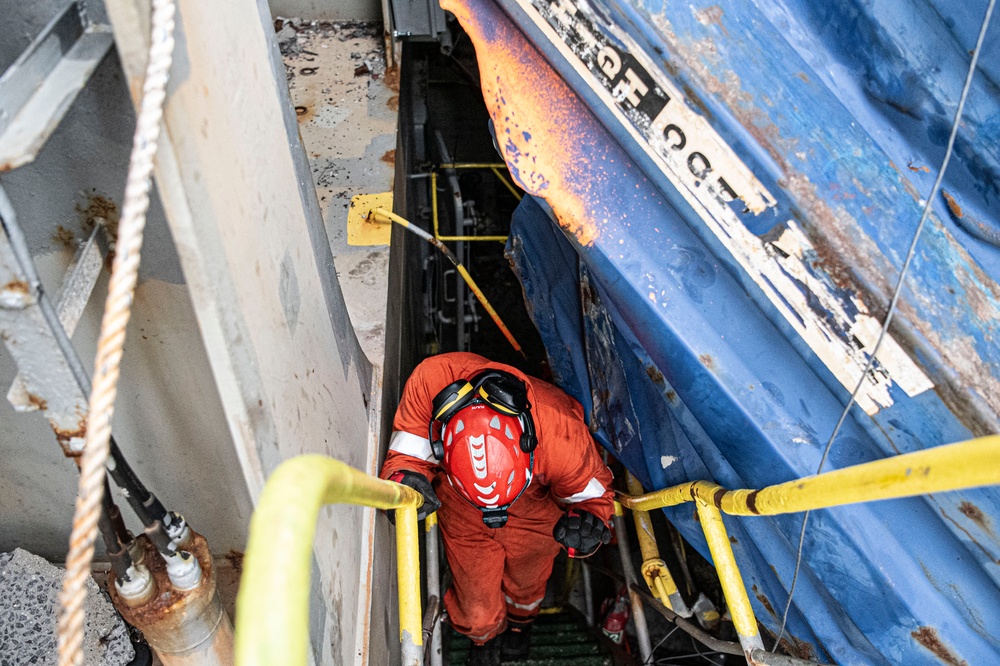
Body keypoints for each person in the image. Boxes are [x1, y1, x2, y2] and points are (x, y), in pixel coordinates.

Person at [380, 352, 614, 665]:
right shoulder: (430, 383)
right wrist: (405, 485)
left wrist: (587, 525)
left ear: (530, 444)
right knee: (474, 601)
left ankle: (520, 625)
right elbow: (408, 458)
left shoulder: (562, 432)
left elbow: (595, 499)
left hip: (535, 506)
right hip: (462, 507)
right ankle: (482, 638)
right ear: (443, 444)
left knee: (528, 581)